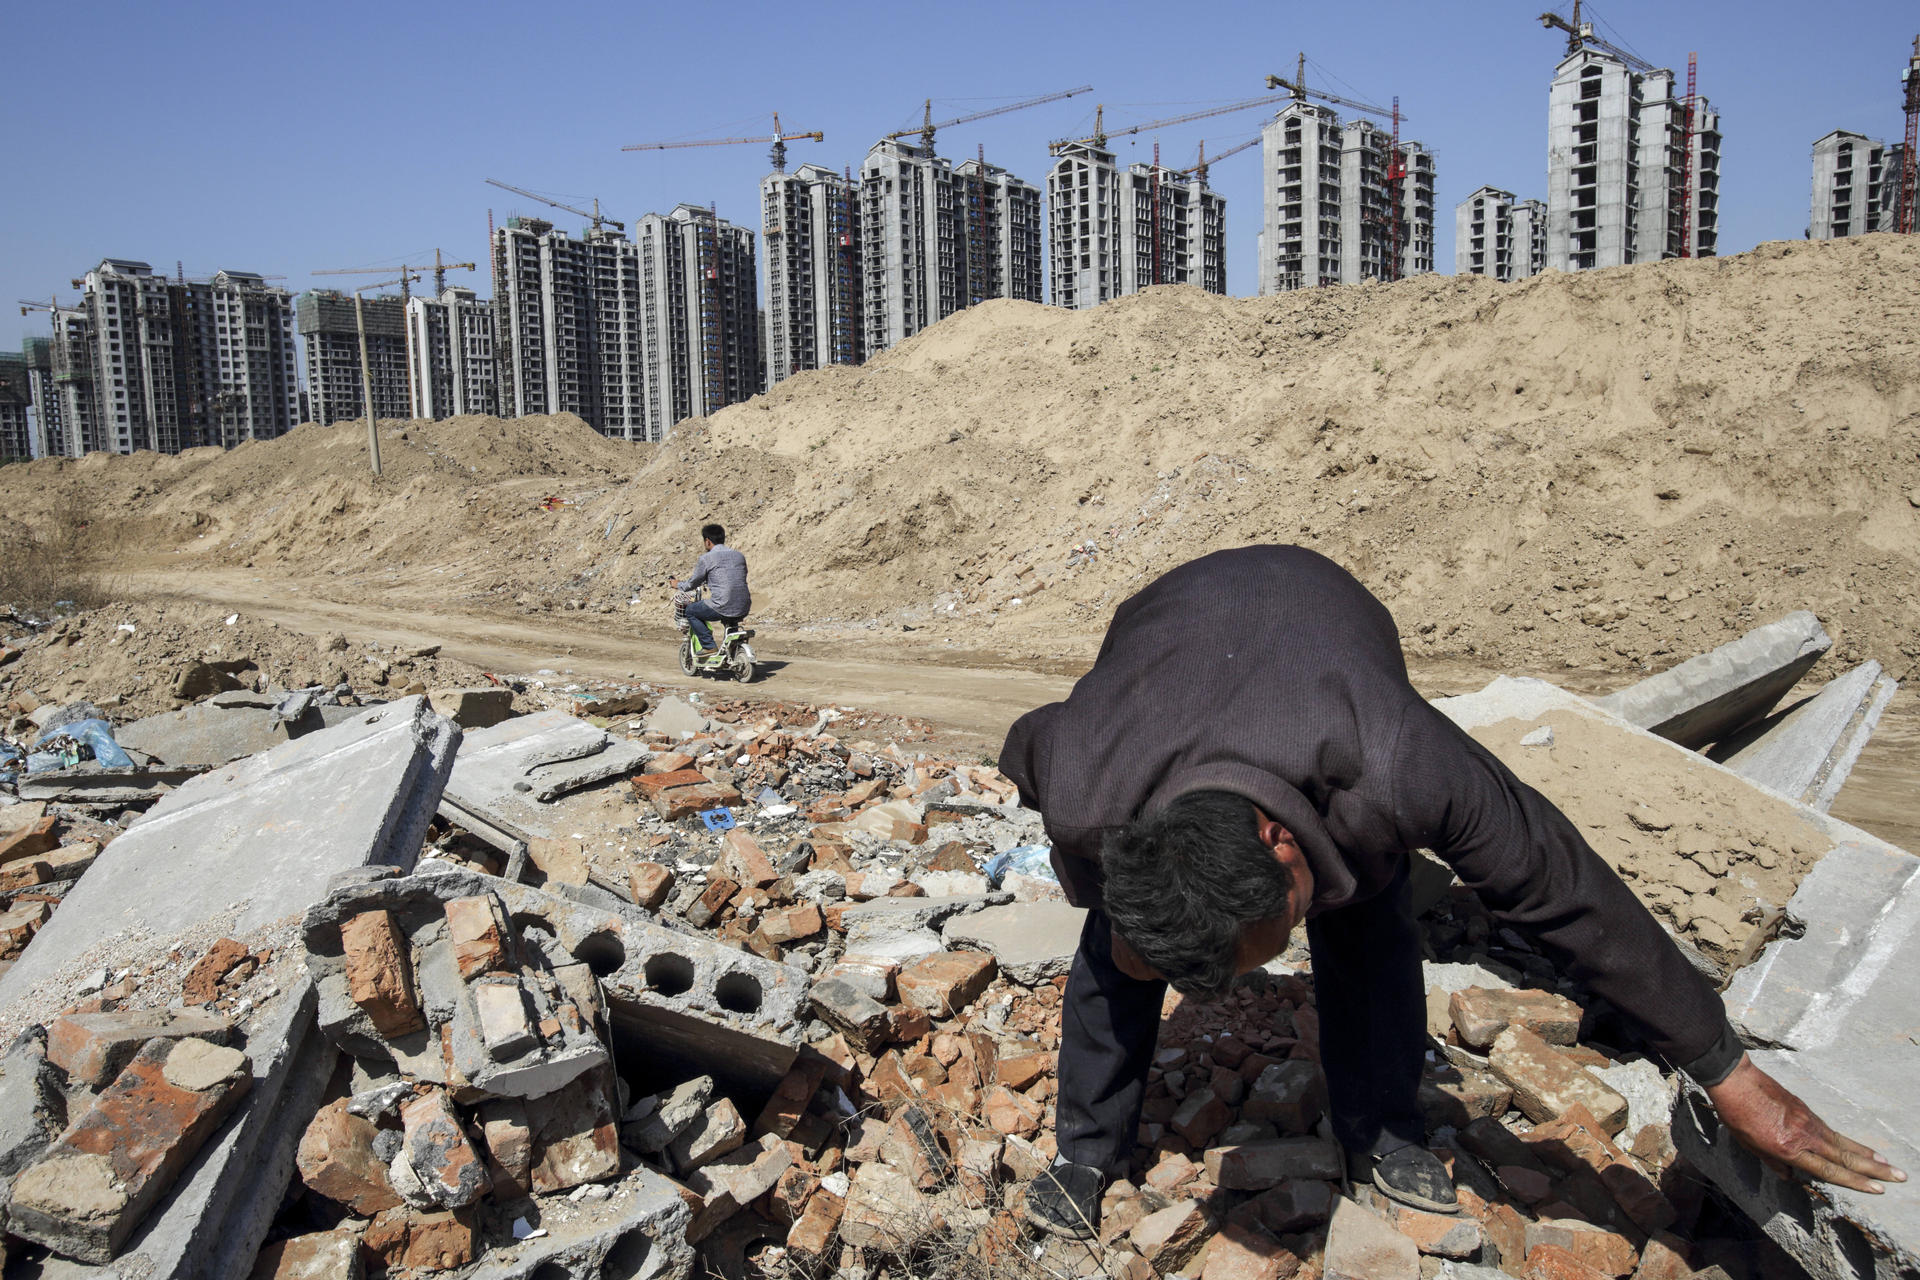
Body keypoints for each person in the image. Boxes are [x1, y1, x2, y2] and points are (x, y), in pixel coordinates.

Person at [999, 544, 1903, 1239]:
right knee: (1119, 946)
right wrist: (1105, 898)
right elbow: (1021, 744)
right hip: (1169, 623)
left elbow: (1565, 889)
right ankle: (1088, 1148)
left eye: (1272, 936)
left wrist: (1726, 1068)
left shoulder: (1397, 762)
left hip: (1323, 609)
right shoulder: (1084, 778)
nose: (1242, 985)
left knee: (1366, 918)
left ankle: (1383, 1128)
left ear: (1283, 847)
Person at [668, 524, 751, 661]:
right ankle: (732, 648)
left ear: (707, 541)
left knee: (691, 611)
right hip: (744, 605)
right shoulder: (739, 556)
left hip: (722, 604)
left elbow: (692, 583)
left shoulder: (706, 558)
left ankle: (708, 646)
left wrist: (677, 584)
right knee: (730, 616)